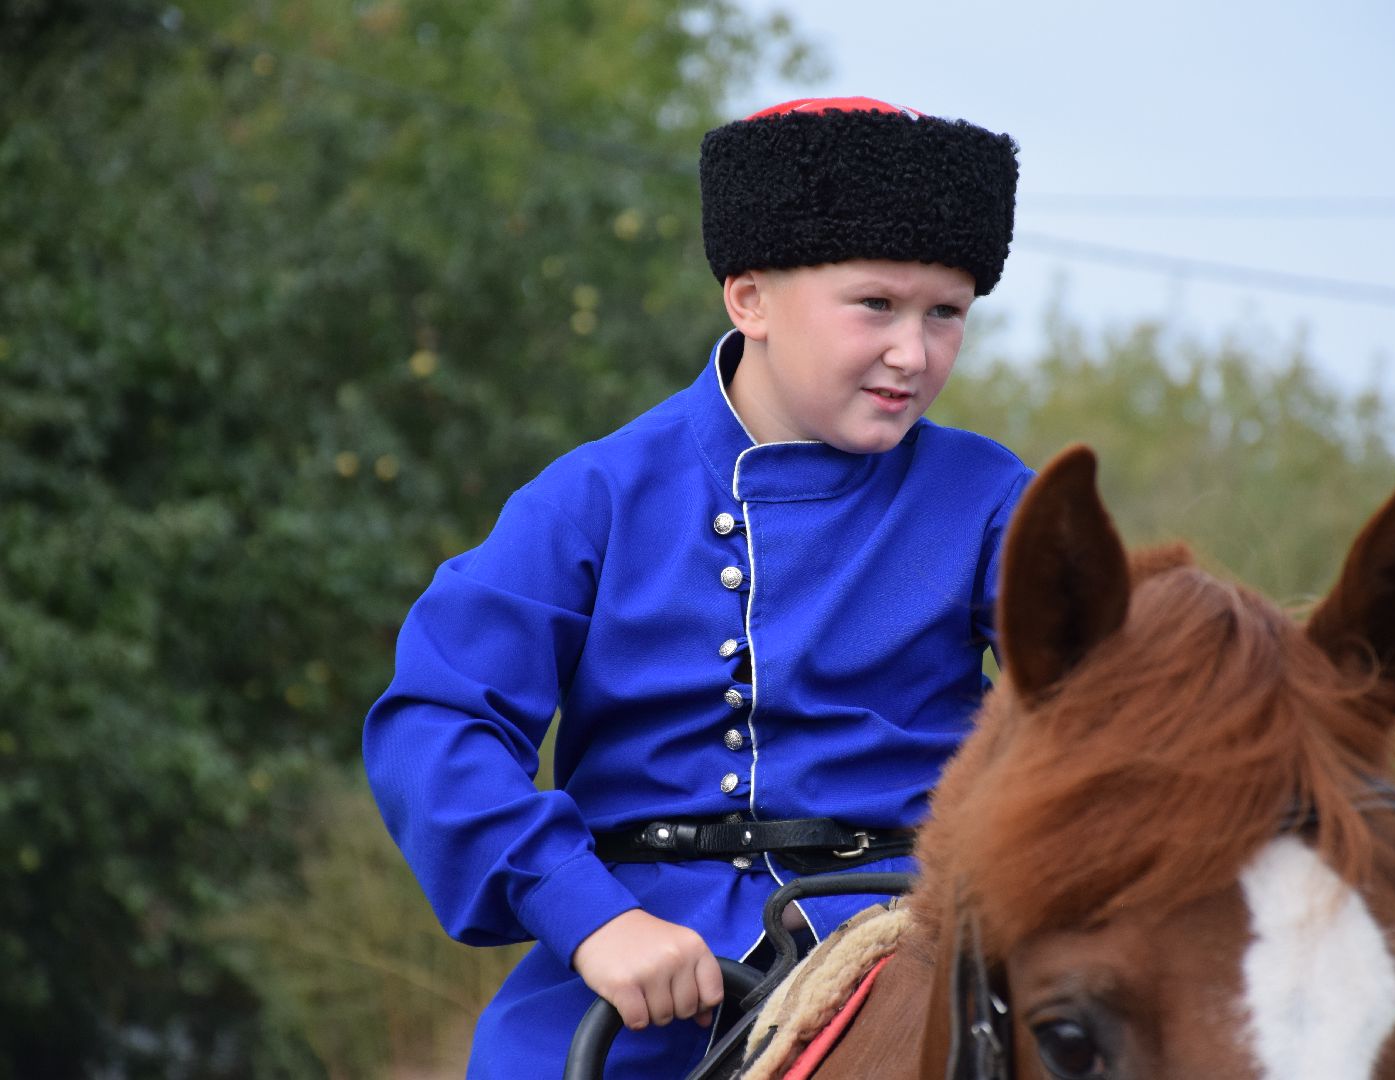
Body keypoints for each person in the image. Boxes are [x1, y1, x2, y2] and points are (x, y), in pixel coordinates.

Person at [364, 96, 1030, 1078]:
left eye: (947, 315)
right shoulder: (592, 495)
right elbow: (436, 723)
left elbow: (1105, 701)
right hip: (636, 983)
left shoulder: (992, 499)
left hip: (915, 952)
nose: (914, 353)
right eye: (877, 306)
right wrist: (591, 920)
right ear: (749, 299)